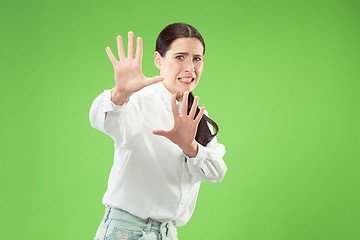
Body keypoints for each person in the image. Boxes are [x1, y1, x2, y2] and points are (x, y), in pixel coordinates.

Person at [90, 22, 227, 240]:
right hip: (127, 230)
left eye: (197, 58)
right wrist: (119, 94)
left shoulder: (197, 116)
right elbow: (102, 119)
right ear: (158, 60)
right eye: (180, 57)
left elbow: (217, 172)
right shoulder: (140, 99)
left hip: (167, 232)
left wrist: (190, 147)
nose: (190, 67)